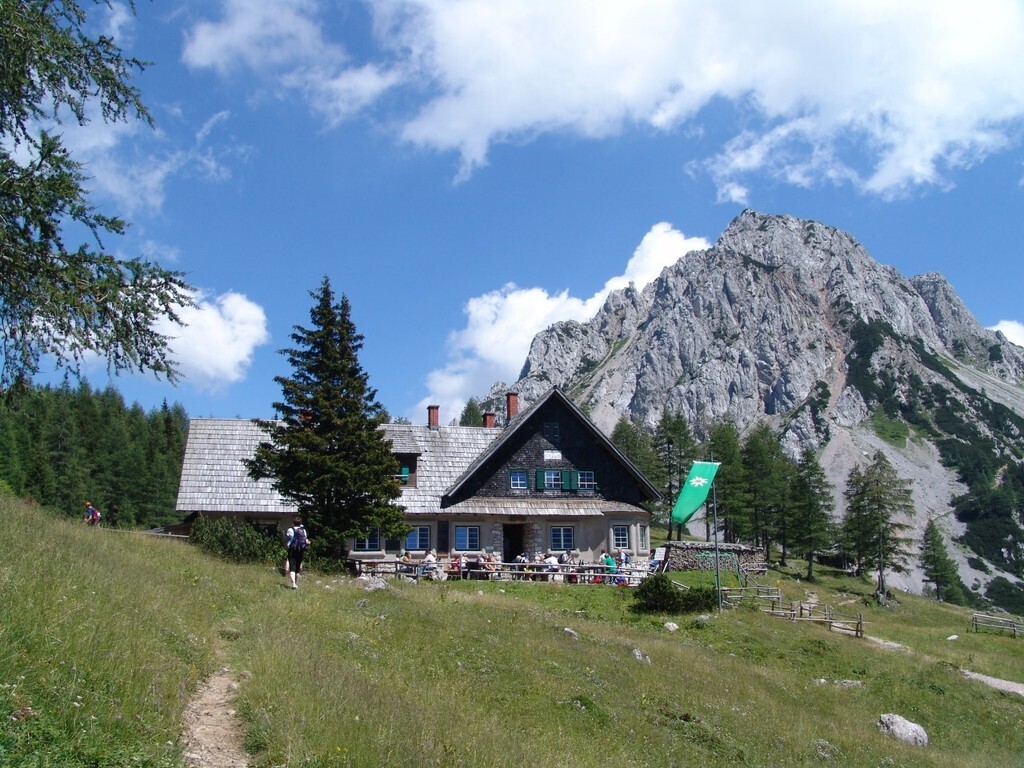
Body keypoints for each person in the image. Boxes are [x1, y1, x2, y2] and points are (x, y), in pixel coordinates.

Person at [285, 516, 309, 589]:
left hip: (293, 550)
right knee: (297, 568)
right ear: (300, 523)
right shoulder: (303, 530)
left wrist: (286, 546)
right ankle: (296, 583)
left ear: (293, 523)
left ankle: (293, 584)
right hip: (301, 550)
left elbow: (287, 540)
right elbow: (306, 540)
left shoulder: (290, 530)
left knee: (292, 567)